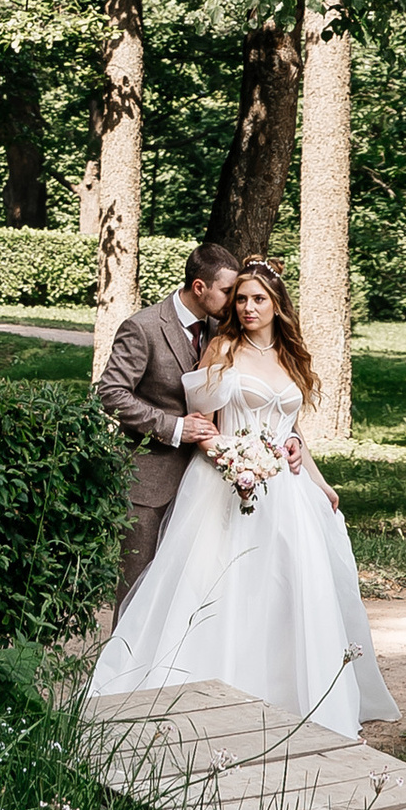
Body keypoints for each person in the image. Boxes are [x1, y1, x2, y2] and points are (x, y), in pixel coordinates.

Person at [90, 256, 398, 738]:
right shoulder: (220, 347)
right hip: (225, 483)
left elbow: (291, 429)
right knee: (211, 588)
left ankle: (290, 694)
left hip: (286, 492)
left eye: (258, 298)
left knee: (285, 589)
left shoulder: (290, 355)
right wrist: (238, 463)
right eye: (241, 298)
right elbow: (204, 424)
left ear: (278, 305)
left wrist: (317, 479)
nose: (248, 306)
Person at [95, 240, 242, 605]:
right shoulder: (142, 328)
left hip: (204, 486)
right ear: (199, 288)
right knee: (137, 594)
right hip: (149, 485)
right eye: (227, 291)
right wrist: (175, 427)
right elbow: (110, 394)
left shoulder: (221, 331)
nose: (234, 301)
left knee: (190, 594)